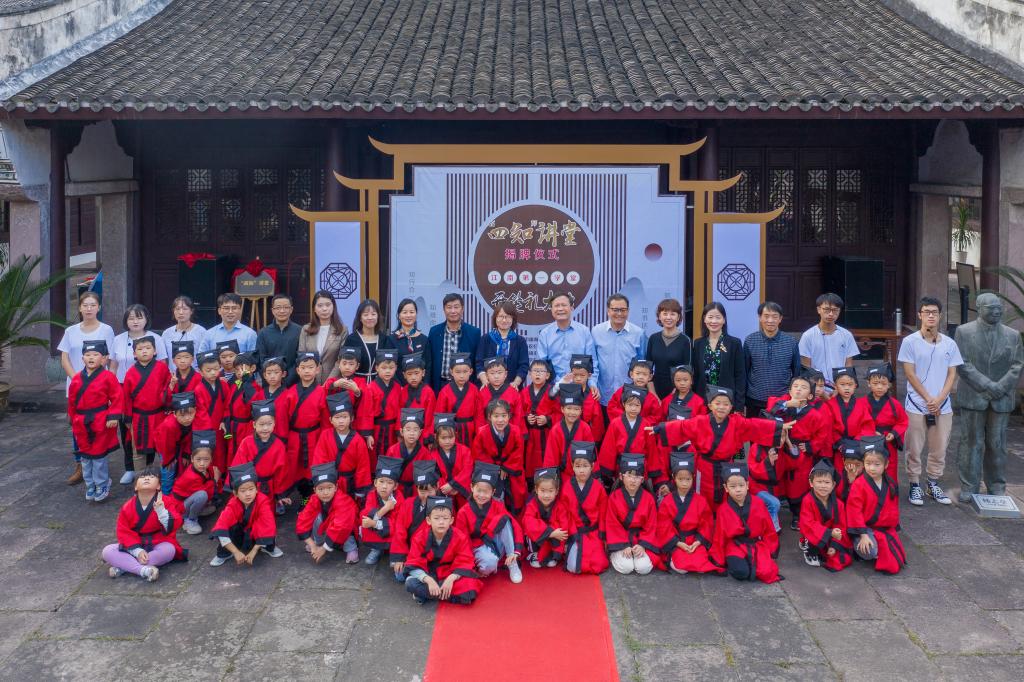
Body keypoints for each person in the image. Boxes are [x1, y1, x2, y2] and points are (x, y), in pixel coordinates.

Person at [649, 386, 788, 510]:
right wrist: (659, 428)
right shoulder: (700, 421)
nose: (721, 407)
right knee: (702, 497)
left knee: (726, 497)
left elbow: (754, 425)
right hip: (704, 466)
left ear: (731, 407)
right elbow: (682, 426)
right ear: (710, 405)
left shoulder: (737, 423)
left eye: (726, 404)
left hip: (726, 466)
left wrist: (778, 426)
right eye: (717, 403)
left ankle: (723, 522)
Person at [954, 293, 1024, 502]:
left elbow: (1017, 365)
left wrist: (1000, 387)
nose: (996, 311)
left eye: (999, 307)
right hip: (974, 395)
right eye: (991, 308)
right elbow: (962, 363)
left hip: (1002, 397)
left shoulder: (1013, 335)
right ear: (978, 308)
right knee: (971, 442)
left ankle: (997, 485)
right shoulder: (964, 332)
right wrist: (987, 385)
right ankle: (969, 485)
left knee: (997, 443)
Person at [897, 296, 962, 506]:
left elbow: (952, 374)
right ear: (920, 315)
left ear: (940, 315)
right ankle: (914, 484)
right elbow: (910, 373)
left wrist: (940, 399)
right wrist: (927, 398)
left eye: (934, 312)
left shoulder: (950, 344)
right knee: (914, 447)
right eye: (926, 312)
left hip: (942, 406)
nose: (931, 316)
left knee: (939, 447)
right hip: (916, 404)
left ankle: (933, 482)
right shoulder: (910, 342)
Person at [112, 304, 168, 485]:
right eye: (131, 318)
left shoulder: (156, 340)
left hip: (153, 396)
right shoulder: (118, 340)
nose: (135, 321)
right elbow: (113, 365)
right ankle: (133, 471)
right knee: (131, 437)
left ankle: (156, 473)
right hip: (126, 391)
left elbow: (163, 371)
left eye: (139, 317)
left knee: (156, 440)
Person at [103, 467, 185, 582]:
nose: (146, 478)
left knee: (169, 550)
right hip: (135, 544)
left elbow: (175, 524)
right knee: (107, 551)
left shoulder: (166, 501)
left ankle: (124, 567)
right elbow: (123, 531)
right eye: (142, 477)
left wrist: (161, 511)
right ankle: (143, 570)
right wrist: (138, 551)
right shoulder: (127, 507)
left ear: (158, 486)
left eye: (151, 477)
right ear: (136, 487)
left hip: (158, 541)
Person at [68, 339, 122, 502]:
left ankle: (102, 484)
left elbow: (117, 397)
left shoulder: (108, 377)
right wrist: (72, 418)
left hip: (100, 421)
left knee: (98, 456)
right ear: (82, 358)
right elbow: (72, 401)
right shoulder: (76, 379)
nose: (91, 358)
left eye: (95, 354)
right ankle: (90, 484)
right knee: (85, 456)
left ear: (104, 358)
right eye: (87, 355)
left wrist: (113, 416)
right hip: (81, 422)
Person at [406, 496, 483, 605]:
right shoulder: (419, 537)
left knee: (471, 586)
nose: (441, 522)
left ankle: (427, 594)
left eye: (445, 518)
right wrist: (428, 580)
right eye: (436, 518)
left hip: (450, 572)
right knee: (411, 583)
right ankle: (447, 595)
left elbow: (465, 560)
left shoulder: (460, 536)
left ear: (451, 520)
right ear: (428, 520)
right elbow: (413, 561)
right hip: (429, 573)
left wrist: (451, 578)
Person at [711, 463, 781, 583]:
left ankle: (752, 563)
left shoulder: (758, 503)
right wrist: (718, 560)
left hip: (756, 545)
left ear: (747, 485)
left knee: (766, 572)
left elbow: (769, 529)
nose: (738, 490)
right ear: (726, 488)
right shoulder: (723, 509)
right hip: (735, 546)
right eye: (733, 486)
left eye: (741, 485)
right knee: (741, 573)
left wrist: (771, 551)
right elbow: (719, 537)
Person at [456, 461, 525, 583]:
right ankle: (490, 562)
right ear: (471, 487)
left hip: (496, 541)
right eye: (479, 490)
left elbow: (514, 525)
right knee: (489, 565)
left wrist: (517, 550)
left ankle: (512, 563)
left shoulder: (498, 505)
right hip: (479, 546)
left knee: (505, 520)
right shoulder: (463, 512)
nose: (482, 495)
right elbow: (463, 540)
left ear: (493, 492)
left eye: (486, 492)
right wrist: (470, 564)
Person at [209, 461, 283, 566]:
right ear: (235, 493)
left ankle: (267, 547)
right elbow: (221, 526)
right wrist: (235, 552)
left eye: (251, 489)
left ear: (257, 489)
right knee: (228, 528)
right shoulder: (232, 504)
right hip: (240, 533)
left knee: (267, 526)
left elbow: (267, 525)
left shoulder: (263, 501)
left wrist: (254, 551)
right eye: (243, 491)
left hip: (256, 533)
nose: (248, 494)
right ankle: (225, 554)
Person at [846, 445, 905, 574]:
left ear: (886, 464)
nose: (872, 468)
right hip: (864, 527)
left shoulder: (890, 483)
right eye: (868, 463)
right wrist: (863, 534)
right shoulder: (859, 484)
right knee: (870, 552)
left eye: (877, 464)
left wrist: (892, 525)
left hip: (882, 527)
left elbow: (893, 508)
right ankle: (855, 545)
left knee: (885, 546)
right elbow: (854, 511)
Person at [656, 454, 718, 575]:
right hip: (677, 541)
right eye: (680, 479)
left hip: (694, 540)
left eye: (688, 479)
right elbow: (664, 526)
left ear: (693, 478)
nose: (684, 483)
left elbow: (707, 524)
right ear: (674, 478)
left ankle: (695, 552)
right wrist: (678, 543)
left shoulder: (701, 500)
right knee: (681, 568)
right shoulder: (667, 501)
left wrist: (698, 541)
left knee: (701, 563)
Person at [122, 334, 172, 476]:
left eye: (148, 348)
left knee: (163, 448)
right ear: (134, 354)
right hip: (139, 418)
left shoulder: (162, 368)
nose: (144, 351)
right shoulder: (131, 372)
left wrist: (169, 407)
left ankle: (165, 479)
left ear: (155, 351)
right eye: (140, 349)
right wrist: (128, 418)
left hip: (159, 415)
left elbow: (168, 389)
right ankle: (141, 479)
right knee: (139, 451)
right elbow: (126, 397)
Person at [605, 455, 661, 574]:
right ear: (621, 477)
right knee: (627, 567)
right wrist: (624, 545)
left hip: (641, 538)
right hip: (621, 540)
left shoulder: (649, 498)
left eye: (637, 476)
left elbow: (651, 525)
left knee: (643, 568)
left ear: (642, 479)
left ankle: (639, 550)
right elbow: (612, 524)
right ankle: (614, 554)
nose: (633, 480)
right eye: (629, 475)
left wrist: (642, 545)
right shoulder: (614, 497)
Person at [231, 399, 289, 514]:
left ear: (274, 423)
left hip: (269, 487)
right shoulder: (246, 443)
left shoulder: (279, 445)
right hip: (250, 486)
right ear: (254, 424)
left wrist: (280, 494)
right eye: (261, 424)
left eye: (269, 424)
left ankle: (276, 504)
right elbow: (239, 467)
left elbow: (281, 472)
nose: (265, 428)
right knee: (248, 513)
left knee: (266, 513)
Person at [536, 292, 600, 397]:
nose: (560, 309)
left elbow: (592, 362)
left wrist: (592, 383)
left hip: (580, 389)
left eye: (564, 305)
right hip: (554, 389)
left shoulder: (584, 331)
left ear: (572, 307)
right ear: (551, 309)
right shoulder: (545, 334)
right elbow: (541, 365)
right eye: (556, 306)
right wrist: (555, 385)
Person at [743, 301, 801, 417]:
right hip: (754, 399)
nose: (770, 320)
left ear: (780, 319)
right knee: (755, 428)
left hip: (782, 400)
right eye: (766, 316)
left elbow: (796, 371)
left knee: (781, 428)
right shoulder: (750, 340)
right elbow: (744, 370)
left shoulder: (791, 342)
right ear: (760, 318)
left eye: (775, 317)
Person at [285, 351, 330, 497]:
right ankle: (292, 497)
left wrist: (324, 440)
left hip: (314, 437)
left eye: (311, 367)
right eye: (303, 368)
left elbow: (325, 421)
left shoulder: (321, 392)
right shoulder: (290, 393)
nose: (307, 371)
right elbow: (284, 419)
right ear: (297, 370)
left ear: (317, 369)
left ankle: (307, 499)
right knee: (294, 468)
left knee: (312, 469)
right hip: (294, 437)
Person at [296, 463, 360, 566]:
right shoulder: (314, 499)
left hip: (346, 527)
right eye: (321, 489)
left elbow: (341, 526)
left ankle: (351, 548)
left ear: (336, 487)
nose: (325, 493)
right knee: (316, 518)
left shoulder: (343, 500)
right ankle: (318, 542)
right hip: (329, 524)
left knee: (347, 526)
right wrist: (312, 545)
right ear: (315, 490)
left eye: (329, 488)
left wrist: (324, 549)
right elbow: (303, 519)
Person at [312, 392, 372, 500]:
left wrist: (360, 491)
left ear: (352, 418)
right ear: (331, 420)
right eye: (337, 417)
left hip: (350, 483)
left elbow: (363, 467)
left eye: (344, 417)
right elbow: (319, 460)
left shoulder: (358, 440)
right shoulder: (325, 436)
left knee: (349, 506)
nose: (341, 421)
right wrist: (323, 483)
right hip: (330, 482)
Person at [561, 441, 609, 574]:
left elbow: (603, 513)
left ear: (592, 466)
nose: (581, 470)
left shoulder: (598, 487)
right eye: (577, 466)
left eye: (585, 466)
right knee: (573, 567)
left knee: (599, 565)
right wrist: (571, 535)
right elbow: (565, 515)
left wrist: (602, 535)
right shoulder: (567, 487)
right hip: (576, 533)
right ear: (572, 466)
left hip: (593, 533)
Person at [389, 460, 442, 581]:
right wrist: (400, 557)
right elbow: (400, 530)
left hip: (431, 552)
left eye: (430, 491)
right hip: (410, 551)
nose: (426, 495)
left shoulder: (443, 507)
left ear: (437, 486)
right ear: (416, 488)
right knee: (399, 575)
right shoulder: (408, 504)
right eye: (422, 491)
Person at [472, 398, 526, 514]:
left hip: (512, 469)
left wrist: (506, 467)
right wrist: (495, 469)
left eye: (504, 416)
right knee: (495, 499)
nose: (500, 420)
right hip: (491, 470)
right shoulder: (482, 432)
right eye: (496, 416)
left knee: (516, 496)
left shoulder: (516, 431)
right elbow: (479, 453)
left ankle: (514, 518)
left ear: (509, 416)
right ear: (489, 417)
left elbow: (518, 452)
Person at [592, 294, 646, 408]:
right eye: (615, 310)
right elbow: (593, 363)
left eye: (623, 310)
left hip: (630, 398)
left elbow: (643, 364)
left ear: (628, 311)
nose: (619, 313)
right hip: (603, 395)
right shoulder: (596, 331)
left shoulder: (638, 333)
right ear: (608, 311)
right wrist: (593, 384)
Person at [799, 460, 853, 571]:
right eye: (819, 482)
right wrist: (829, 533)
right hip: (816, 533)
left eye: (827, 482)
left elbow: (841, 525)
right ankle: (808, 549)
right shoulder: (807, 500)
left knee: (842, 555)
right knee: (811, 535)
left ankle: (830, 547)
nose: (823, 486)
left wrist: (834, 545)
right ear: (811, 483)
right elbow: (808, 523)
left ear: (833, 485)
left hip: (831, 535)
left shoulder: (839, 504)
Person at [598, 384, 657, 484]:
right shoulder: (615, 423)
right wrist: (608, 471)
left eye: (637, 405)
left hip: (640, 466)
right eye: (630, 405)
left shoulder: (646, 424)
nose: (633, 408)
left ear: (641, 406)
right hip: (621, 466)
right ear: (624, 404)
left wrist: (652, 471)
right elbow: (609, 447)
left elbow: (651, 449)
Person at [520, 467, 576, 568]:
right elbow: (528, 521)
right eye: (543, 491)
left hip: (553, 539)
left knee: (559, 528)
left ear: (556, 491)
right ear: (536, 490)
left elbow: (564, 524)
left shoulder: (560, 506)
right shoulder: (532, 504)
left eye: (550, 491)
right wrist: (549, 532)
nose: (546, 495)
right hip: (537, 538)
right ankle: (534, 553)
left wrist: (554, 533)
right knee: (529, 527)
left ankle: (551, 554)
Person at [355, 349, 403, 468]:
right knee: (374, 457)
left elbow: (400, 411)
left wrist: (399, 430)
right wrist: (368, 434)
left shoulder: (398, 388)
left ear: (396, 368)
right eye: (384, 367)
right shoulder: (370, 388)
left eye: (391, 368)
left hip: (392, 429)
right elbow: (366, 412)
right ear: (377, 368)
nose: (388, 371)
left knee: (392, 455)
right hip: (376, 429)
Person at [692, 302, 745, 409]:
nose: (714, 321)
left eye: (718, 317)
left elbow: (740, 376)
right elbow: (696, 375)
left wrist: (739, 405)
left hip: (726, 402)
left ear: (724, 320)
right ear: (704, 319)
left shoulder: (734, 343)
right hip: (702, 401)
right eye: (710, 317)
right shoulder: (698, 343)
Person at [427, 293, 482, 392]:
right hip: (440, 385)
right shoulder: (434, 332)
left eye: (456, 307)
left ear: (462, 309)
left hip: (465, 386)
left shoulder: (474, 333)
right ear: (444, 309)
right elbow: (429, 362)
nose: (453, 311)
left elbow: (477, 362)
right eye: (449, 307)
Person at [864, 364, 908, 482]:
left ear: (889, 384)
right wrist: (871, 432)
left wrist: (893, 433)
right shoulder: (862, 403)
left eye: (883, 384)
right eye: (875, 383)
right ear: (868, 383)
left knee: (890, 468)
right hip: (869, 441)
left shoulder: (894, 404)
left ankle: (890, 492)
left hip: (888, 441)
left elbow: (903, 421)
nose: (879, 387)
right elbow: (858, 422)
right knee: (869, 468)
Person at [193, 351, 229, 488]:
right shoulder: (199, 389)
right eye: (208, 370)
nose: (213, 373)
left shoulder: (223, 385)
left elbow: (228, 404)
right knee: (211, 454)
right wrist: (209, 431)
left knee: (222, 453)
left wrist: (224, 420)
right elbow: (200, 413)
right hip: (208, 430)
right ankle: (212, 484)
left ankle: (222, 480)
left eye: (216, 369)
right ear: (201, 372)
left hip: (221, 426)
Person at [360, 455, 405, 566]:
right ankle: (376, 549)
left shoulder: (399, 498)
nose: (384, 486)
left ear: (395, 486)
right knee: (364, 523)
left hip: (391, 529)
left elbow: (398, 522)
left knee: (399, 530)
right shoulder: (372, 495)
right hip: (378, 526)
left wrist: (375, 523)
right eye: (381, 481)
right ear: (375, 483)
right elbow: (367, 514)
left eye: (389, 483)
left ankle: (394, 552)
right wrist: (385, 509)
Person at [799, 293, 857, 378]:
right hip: (816, 383)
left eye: (835, 310)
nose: (831, 314)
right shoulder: (808, 336)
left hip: (839, 383)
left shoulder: (846, 335)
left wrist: (843, 383)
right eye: (826, 309)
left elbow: (848, 365)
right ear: (818, 309)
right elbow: (806, 367)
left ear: (839, 311)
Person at [171, 431, 218, 535]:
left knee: (202, 496)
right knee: (202, 495)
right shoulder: (191, 476)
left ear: (211, 459)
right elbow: (205, 491)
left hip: (188, 500)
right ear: (192, 459)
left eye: (206, 459)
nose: (202, 463)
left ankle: (198, 509)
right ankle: (189, 519)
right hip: (179, 506)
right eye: (198, 459)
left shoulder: (207, 468)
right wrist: (216, 480)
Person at [434, 352, 485, 447]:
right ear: (451, 372)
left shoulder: (474, 390)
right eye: (458, 372)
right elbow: (440, 414)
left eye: (465, 372)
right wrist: (442, 432)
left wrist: (480, 431)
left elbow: (479, 414)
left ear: (471, 371)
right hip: (452, 430)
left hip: (470, 429)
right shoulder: (444, 391)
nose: (461, 376)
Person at [475, 300, 529, 388]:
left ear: (513, 319)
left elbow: (524, 366)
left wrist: (516, 383)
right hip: (488, 387)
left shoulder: (520, 341)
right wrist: (485, 381)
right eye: (501, 316)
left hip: (512, 388)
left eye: (508, 317)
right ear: (495, 318)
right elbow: (479, 363)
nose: (504, 320)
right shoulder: (486, 338)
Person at [542, 384, 595, 472]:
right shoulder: (555, 430)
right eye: (569, 408)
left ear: (581, 410)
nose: (572, 412)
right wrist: (551, 476)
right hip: (561, 474)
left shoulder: (585, 428)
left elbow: (591, 454)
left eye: (576, 409)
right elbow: (550, 457)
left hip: (581, 473)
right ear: (562, 409)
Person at [300, 290, 349, 384]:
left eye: (328, 305)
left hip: (333, 383)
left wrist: (328, 383)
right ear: (314, 309)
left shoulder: (342, 330)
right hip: (310, 383)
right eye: (320, 305)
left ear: (333, 307)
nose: (324, 309)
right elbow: (302, 356)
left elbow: (341, 360)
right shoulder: (306, 329)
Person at [646, 298, 692, 399]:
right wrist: (653, 393)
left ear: (678, 317)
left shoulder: (685, 341)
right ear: (659, 316)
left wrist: (673, 395)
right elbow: (648, 369)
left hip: (677, 392)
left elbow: (687, 370)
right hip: (654, 390)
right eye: (665, 314)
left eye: (673, 314)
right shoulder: (653, 338)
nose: (668, 317)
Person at [521, 359, 558, 483]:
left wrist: (548, 419)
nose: (537, 374)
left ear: (547, 375)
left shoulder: (552, 392)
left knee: (546, 458)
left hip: (546, 433)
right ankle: (531, 485)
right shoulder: (524, 391)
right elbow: (519, 412)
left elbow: (559, 412)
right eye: (535, 371)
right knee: (529, 459)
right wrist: (526, 418)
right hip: (530, 434)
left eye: (541, 371)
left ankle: (547, 483)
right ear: (530, 374)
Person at [428, 413, 474, 507]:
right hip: (444, 490)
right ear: (436, 437)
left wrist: (453, 485)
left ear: (456, 435)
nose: (447, 441)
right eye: (443, 438)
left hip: (461, 490)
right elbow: (434, 474)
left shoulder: (465, 451)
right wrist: (446, 487)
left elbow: (467, 470)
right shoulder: (432, 454)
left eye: (451, 437)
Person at [342, 299, 395, 382]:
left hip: (379, 384)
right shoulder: (351, 339)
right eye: (366, 315)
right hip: (356, 384)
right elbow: (345, 363)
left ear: (378, 316)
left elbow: (391, 364)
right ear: (360, 318)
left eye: (373, 314)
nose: (370, 318)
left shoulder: (384, 339)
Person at [155, 391, 196, 493]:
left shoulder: (193, 421)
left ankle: (176, 492)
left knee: (180, 469)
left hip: (179, 444)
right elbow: (165, 445)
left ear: (195, 410)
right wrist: (168, 461)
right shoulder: (169, 425)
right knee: (168, 471)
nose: (187, 418)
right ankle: (166, 495)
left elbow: (190, 438)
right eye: (182, 415)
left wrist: (186, 454)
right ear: (174, 414)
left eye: (190, 413)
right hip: (164, 447)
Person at [256, 293, 302, 384]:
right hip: (269, 384)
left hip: (293, 384)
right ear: (272, 310)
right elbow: (260, 360)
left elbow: (299, 359)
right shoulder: (263, 333)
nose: (282, 311)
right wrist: (271, 378)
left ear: (291, 309)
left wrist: (287, 380)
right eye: (278, 308)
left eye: (286, 307)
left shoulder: (300, 331)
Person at [391, 298, 431, 386]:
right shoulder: (392, 339)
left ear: (416, 314)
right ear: (399, 315)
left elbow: (428, 366)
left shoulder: (424, 339)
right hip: (399, 388)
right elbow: (390, 366)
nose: (408, 315)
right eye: (405, 312)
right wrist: (399, 387)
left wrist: (424, 387)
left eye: (412, 312)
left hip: (420, 389)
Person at [161, 296, 206, 370]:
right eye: (177, 309)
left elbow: (205, 358)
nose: (181, 312)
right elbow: (163, 359)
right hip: (173, 375)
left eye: (185, 309)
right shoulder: (167, 333)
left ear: (191, 311)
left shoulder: (201, 332)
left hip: (196, 375)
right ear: (173, 311)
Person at [477, 356, 523, 426]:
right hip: (488, 430)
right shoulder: (483, 392)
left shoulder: (513, 392)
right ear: (486, 375)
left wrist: (513, 430)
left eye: (499, 373)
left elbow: (518, 416)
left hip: (509, 429)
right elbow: (479, 417)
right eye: (492, 373)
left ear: (505, 374)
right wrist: (482, 431)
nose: (496, 376)